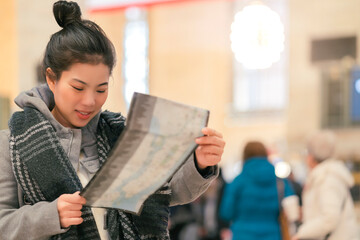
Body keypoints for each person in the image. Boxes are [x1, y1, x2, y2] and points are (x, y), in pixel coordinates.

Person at [0, 1, 225, 239]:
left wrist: (200, 163)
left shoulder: (119, 134)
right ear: (51, 79)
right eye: (78, 88)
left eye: (101, 89)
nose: (90, 102)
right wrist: (50, 215)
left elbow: (168, 192)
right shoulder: (11, 144)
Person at [219, 141, 297, 240]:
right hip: (273, 234)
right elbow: (291, 208)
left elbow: (226, 212)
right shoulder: (280, 182)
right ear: (265, 154)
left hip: (243, 234)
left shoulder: (238, 182)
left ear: (245, 156)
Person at [292, 131, 359, 240]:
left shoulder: (328, 179)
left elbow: (330, 219)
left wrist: (301, 233)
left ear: (312, 156)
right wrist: (303, 213)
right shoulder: (324, 176)